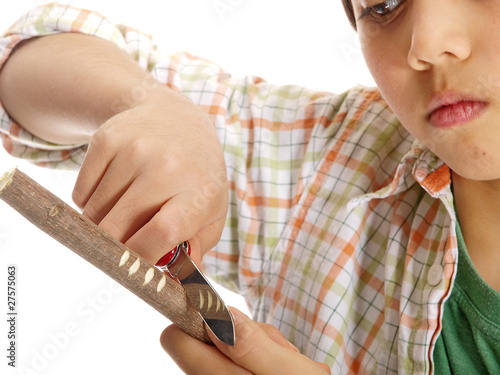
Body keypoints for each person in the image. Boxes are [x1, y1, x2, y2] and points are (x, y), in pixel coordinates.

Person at [0, 1, 499, 374]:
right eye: (382, 3)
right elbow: (28, 57)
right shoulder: (334, 161)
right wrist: (144, 104)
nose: (426, 44)